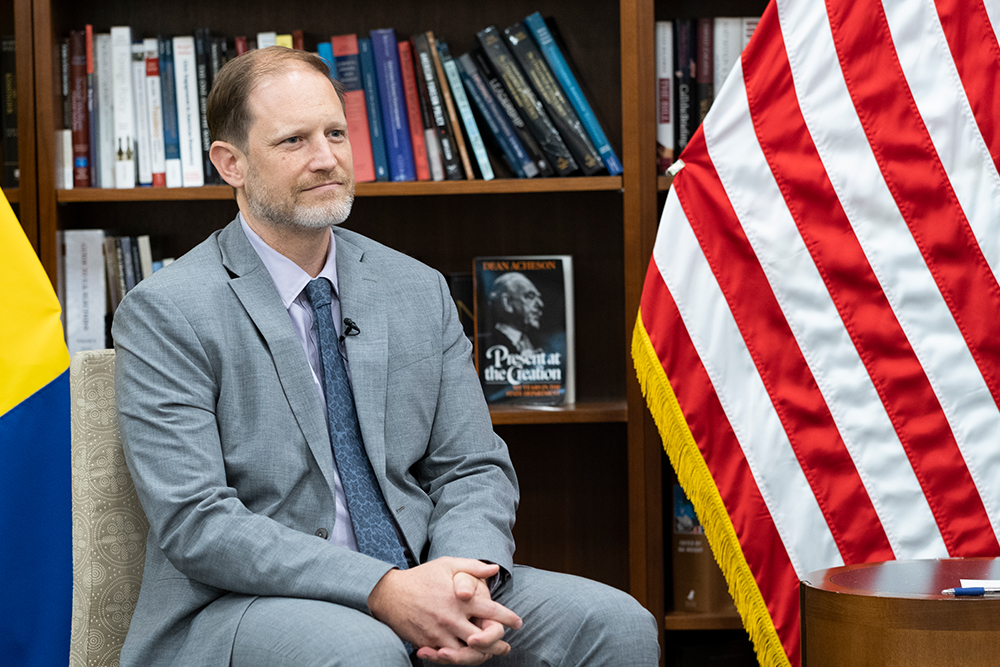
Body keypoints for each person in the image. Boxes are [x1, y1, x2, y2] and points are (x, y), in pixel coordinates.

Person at [113, 46, 659, 667]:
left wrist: (462, 583)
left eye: (335, 133)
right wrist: (382, 590)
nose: (326, 159)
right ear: (230, 163)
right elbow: (198, 521)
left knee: (615, 624)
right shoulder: (166, 311)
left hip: (424, 572)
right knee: (366, 652)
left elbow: (472, 466)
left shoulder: (417, 288)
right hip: (243, 604)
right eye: (293, 141)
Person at [487, 272, 544, 355]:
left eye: (538, 297)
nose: (541, 304)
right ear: (507, 302)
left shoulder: (534, 341)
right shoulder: (491, 342)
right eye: (530, 296)